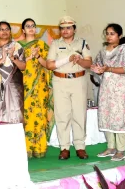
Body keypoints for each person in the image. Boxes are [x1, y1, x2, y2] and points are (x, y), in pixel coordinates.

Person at [91, 23, 125, 161]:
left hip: (120, 87)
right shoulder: (103, 51)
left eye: (112, 34)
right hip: (106, 87)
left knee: (119, 117)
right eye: (107, 33)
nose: (109, 36)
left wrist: (108, 69)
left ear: (119, 36)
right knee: (106, 115)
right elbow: (97, 66)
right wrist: (96, 70)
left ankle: (121, 150)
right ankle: (111, 147)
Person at [46, 16, 92, 160]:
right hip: (60, 81)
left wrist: (80, 59)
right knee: (62, 115)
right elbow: (49, 65)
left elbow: (89, 63)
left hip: (78, 80)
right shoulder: (54, 44)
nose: (65, 30)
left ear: (74, 29)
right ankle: (64, 148)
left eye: (68, 27)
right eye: (62, 28)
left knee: (79, 114)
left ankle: (80, 147)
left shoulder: (82, 43)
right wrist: (67, 59)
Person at [18, 18, 54, 158]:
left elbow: (47, 65)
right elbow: (16, 66)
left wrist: (38, 56)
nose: (31, 28)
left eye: (33, 26)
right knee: (26, 116)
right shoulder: (18, 46)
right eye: (28, 26)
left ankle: (39, 148)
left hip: (40, 86)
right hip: (24, 85)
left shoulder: (42, 45)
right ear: (23, 30)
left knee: (39, 115)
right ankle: (26, 149)